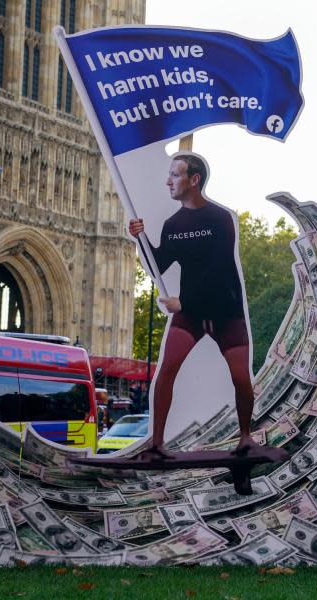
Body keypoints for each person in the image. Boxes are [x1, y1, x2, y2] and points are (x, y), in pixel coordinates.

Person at [128, 153, 257, 458]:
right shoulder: (173, 224)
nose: (168, 181)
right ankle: (156, 442)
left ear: (194, 179)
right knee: (166, 371)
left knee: (240, 377)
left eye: (175, 174)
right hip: (191, 314)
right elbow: (158, 264)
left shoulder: (220, 219)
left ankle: (246, 438)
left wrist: (182, 301)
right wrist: (140, 238)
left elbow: (218, 269)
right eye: (169, 174)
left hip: (226, 310)